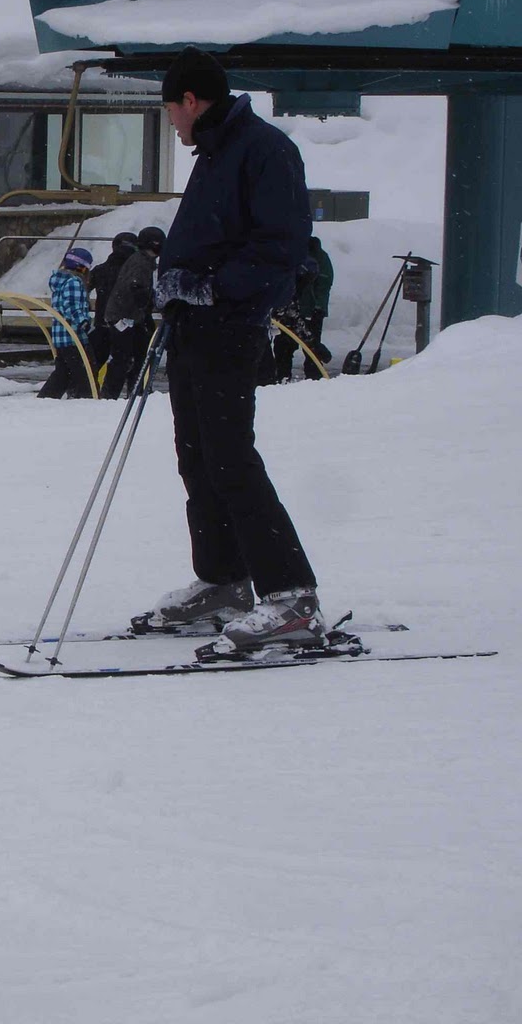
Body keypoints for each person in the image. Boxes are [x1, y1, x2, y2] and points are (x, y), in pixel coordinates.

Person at [150, 47, 323, 654]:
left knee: (230, 458)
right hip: (194, 330)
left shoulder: (264, 150)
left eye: (172, 108)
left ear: (192, 102)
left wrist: (208, 287)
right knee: (196, 458)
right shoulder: (216, 151)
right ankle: (225, 579)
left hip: (231, 328)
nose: (171, 120)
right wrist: (171, 284)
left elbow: (281, 249)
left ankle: (291, 594)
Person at [99, 225, 164, 399]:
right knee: (123, 357)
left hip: (130, 317)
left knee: (139, 353)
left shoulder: (143, 261)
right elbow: (135, 287)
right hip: (123, 317)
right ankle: (110, 395)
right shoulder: (140, 263)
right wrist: (151, 302)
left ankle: (136, 391)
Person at [272, 235, 334, 381]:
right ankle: (282, 378)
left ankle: (315, 381)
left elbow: (324, 284)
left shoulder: (319, 258)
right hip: (285, 311)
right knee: (284, 347)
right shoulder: (289, 256)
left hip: (311, 311)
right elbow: (287, 315)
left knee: (310, 353)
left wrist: (318, 307)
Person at [36, 247, 95, 399]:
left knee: (64, 371)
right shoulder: (74, 282)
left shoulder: (60, 281)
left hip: (61, 336)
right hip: (72, 336)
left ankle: (47, 397)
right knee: (84, 370)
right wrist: (83, 322)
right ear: (82, 267)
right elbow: (71, 306)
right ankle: (87, 398)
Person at [85, 231, 137, 380]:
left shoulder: (101, 270)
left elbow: (84, 288)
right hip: (126, 325)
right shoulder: (133, 271)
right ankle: (121, 394)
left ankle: (83, 391)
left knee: (93, 362)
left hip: (103, 323)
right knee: (124, 363)